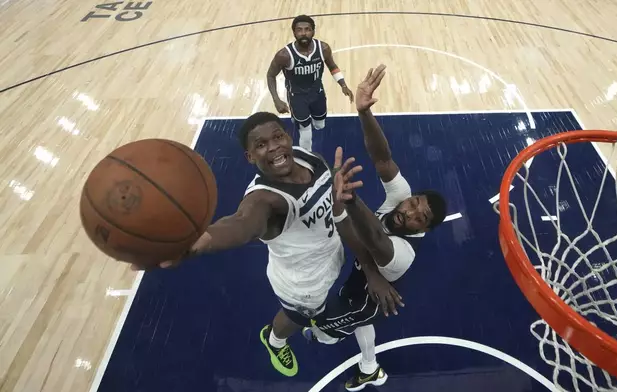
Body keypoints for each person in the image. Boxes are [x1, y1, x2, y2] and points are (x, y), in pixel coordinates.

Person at [140, 111, 399, 378]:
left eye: (277, 137)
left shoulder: (308, 158)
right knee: (296, 318)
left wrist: (337, 186)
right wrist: (199, 242)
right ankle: (275, 341)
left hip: (331, 256)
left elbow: (335, 207)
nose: (274, 147)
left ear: (288, 136)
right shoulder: (265, 199)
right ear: (249, 156)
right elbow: (240, 224)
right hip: (302, 285)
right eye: (261, 145)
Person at [305, 64, 448, 391]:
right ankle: (370, 368)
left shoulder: (403, 254)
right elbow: (382, 159)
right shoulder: (402, 197)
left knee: (326, 329)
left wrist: (349, 201)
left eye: (419, 217)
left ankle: (323, 336)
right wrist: (364, 113)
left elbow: (370, 238)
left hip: (366, 295)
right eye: (414, 203)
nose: (410, 212)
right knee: (363, 322)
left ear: (423, 227)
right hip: (368, 279)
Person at [266, 14, 354, 151]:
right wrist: (276, 99)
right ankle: (307, 157)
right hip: (297, 97)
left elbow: (332, 66)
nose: (303, 33)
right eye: (299, 30)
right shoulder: (284, 55)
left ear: (313, 31)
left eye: (307, 29)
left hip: (317, 93)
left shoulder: (323, 48)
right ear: (294, 32)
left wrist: (343, 84)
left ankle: (304, 119)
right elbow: (270, 75)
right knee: (305, 131)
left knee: (320, 125)